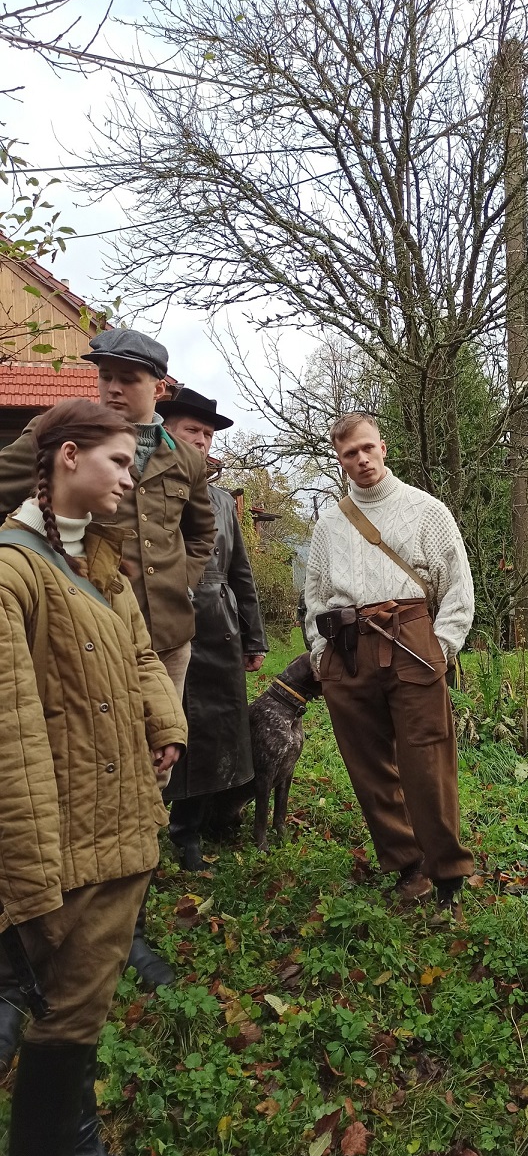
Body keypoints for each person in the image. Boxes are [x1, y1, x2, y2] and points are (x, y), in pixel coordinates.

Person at [0, 331, 214, 1040]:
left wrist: (180, 580)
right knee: (61, 775)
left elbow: (202, 529)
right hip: (65, 622)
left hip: (157, 639)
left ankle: (126, 926)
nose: (112, 388)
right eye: (105, 377)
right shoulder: (61, 433)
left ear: (162, 385)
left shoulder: (184, 455)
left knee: (145, 772)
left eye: (128, 378)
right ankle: (56, 933)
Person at [0, 399, 186, 1156]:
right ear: (68, 456)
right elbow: (11, 743)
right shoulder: (14, 569)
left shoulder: (99, 560)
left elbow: (142, 657)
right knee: (43, 1006)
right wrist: (33, 886)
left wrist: (166, 723)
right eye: (118, 460)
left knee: (79, 1010)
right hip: (64, 844)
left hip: (116, 831)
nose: (130, 476)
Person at [303, 413, 475, 908]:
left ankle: (447, 874)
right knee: (368, 766)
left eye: (366, 449)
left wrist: (441, 647)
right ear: (339, 462)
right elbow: (315, 596)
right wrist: (320, 652)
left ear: (383, 446)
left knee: (427, 761)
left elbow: (458, 589)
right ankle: (406, 865)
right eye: (348, 455)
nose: (360, 460)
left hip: (411, 640)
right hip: (347, 649)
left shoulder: (427, 510)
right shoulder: (330, 525)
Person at [158, 387, 268, 870]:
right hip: (166, 622)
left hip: (220, 625)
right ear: (167, 431)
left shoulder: (223, 500)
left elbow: (241, 571)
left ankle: (212, 816)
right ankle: (179, 833)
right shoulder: (145, 489)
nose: (201, 440)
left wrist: (254, 637)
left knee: (222, 729)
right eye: (191, 431)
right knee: (173, 725)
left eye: (207, 433)